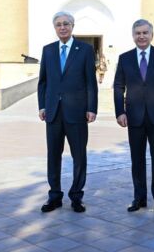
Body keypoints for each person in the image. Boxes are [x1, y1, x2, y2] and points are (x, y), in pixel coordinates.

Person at [113, 19, 154, 215]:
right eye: (138, 33)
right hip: (134, 117)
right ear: (133, 36)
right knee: (137, 160)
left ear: (151, 35)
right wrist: (120, 111)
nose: (141, 36)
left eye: (145, 33)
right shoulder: (124, 58)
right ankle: (139, 199)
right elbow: (118, 86)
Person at [38, 11, 98, 213]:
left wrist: (91, 108)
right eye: (58, 24)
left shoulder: (85, 50)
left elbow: (91, 82)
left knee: (79, 156)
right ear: (55, 28)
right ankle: (54, 196)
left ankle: (76, 197)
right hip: (53, 113)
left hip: (77, 112)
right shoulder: (48, 50)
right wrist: (42, 105)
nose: (62, 27)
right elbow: (43, 82)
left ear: (72, 26)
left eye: (66, 24)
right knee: (53, 156)